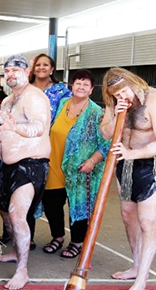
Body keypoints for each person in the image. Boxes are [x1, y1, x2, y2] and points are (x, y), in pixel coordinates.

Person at [100, 67, 156, 290]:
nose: (122, 96)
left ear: (134, 83)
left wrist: (133, 153)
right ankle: (137, 265)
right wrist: (117, 111)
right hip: (126, 164)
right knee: (128, 216)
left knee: (147, 222)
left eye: (124, 91)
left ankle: (141, 283)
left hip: (151, 165)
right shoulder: (115, 101)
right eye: (116, 94)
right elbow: (105, 132)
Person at [0, 54, 51, 290]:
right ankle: (15, 249)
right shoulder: (7, 101)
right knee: (3, 208)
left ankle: (22, 270)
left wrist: (16, 128)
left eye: (16, 70)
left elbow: (38, 128)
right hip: (8, 165)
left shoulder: (34, 97)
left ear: (27, 71)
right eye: (7, 70)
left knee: (17, 214)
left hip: (31, 165)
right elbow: (8, 131)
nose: (10, 74)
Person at [39, 69, 110, 258]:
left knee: (78, 206)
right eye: (78, 83)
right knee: (52, 202)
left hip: (80, 169)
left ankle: (77, 242)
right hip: (55, 163)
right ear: (72, 86)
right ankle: (58, 237)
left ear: (91, 89)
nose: (81, 86)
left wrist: (92, 161)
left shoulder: (96, 113)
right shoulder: (63, 103)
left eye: (85, 84)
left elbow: (106, 144)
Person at [24, 53, 72, 249]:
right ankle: (27, 237)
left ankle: (58, 237)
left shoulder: (62, 92)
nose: (42, 67)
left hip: (52, 149)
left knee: (53, 197)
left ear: (52, 69)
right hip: (26, 147)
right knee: (26, 194)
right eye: (38, 64)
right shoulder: (24, 89)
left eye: (46, 65)